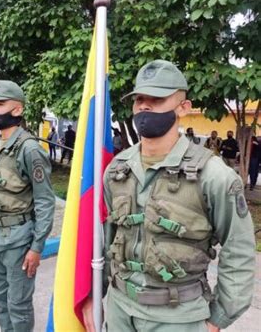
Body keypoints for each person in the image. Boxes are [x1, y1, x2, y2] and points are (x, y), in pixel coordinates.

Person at [82, 60, 255, 332]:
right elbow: (106, 238)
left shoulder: (213, 175)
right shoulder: (117, 169)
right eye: (139, 99)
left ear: (183, 108)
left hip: (178, 318)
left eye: (157, 98)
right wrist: (94, 293)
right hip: (119, 311)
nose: (144, 106)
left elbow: (239, 251)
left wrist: (217, 319)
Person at [0, 80, 55, 331]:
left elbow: (45, 202)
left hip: (19, 240)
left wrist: (36, 247)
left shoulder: (30, 149)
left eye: (0, 104)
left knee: (19, 303)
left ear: (18, 110)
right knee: (0, 298)